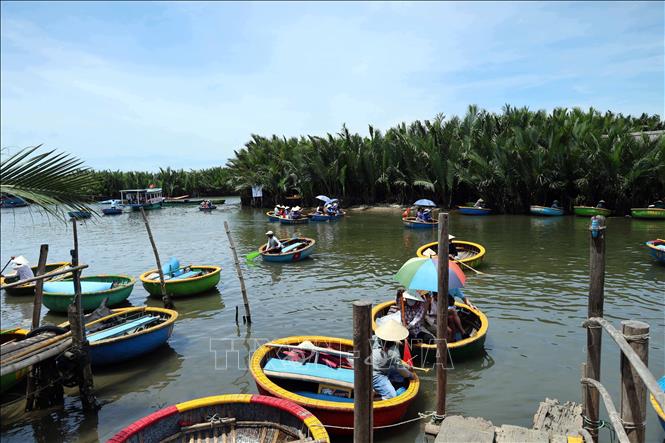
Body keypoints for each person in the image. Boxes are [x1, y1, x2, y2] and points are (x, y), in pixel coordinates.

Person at [371, 320, 415, 399]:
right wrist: (411, 375)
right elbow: (402, 371)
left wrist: (406, 366)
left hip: (374, 366)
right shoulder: (394, 353)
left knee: (398, 373)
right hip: (376, 374)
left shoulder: (375, 338)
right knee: (391, 396)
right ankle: (376, 398)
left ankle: (386, 384)